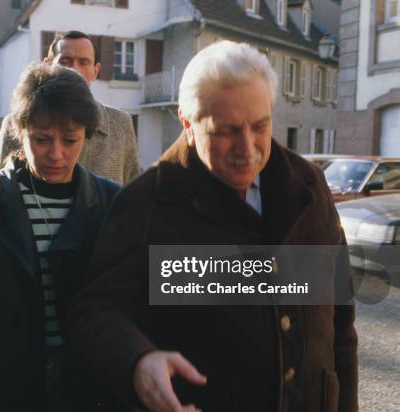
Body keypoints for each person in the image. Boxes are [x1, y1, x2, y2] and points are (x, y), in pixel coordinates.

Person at [69, 41, 358, 411]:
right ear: (187, 124)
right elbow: (95, 313)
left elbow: (341, 324)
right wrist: (138, 362)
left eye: (260, 126)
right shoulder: (147, 204)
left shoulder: (309, 186)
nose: (248, 147)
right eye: (226, 131)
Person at [0, 62, 120, 411]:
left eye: (70, 140)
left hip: (82, 386)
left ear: (86, 136)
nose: (56, 154)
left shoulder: (112, 203)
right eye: (42, 139)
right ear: (20, 131)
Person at [0, 30, 140, 185]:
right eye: (65, 61)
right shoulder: (19, 121)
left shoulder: (120, 124)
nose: (74, 69)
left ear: (95, 71)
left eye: (83, 62)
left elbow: (134, 189)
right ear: (48, 65)